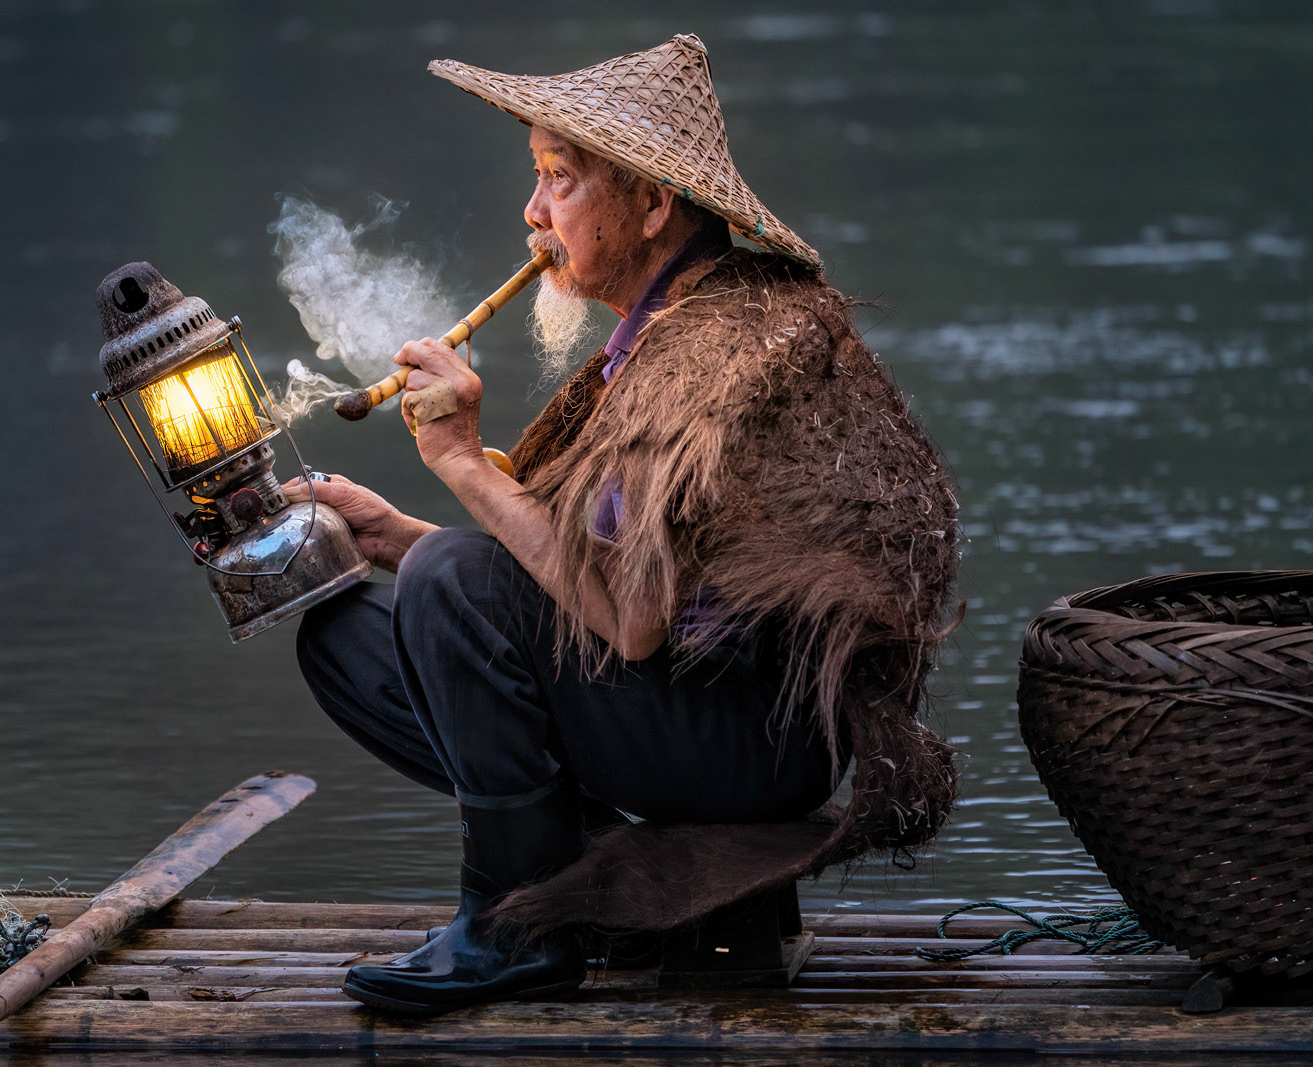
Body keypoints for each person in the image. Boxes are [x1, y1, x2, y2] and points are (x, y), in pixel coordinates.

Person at [283, 35, 961, 1016]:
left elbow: (635, 620)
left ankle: (515, 926)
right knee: (346, 634)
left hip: (749, 737)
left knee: (452, 581)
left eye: (561, 180)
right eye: (537, 178)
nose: (532, 213)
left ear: (651, 203)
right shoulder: (666, 332)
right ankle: (587, 878)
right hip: (680, 699)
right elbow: (562, 585)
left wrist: (464, 462)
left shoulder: (715, 353)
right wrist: (389, 534)